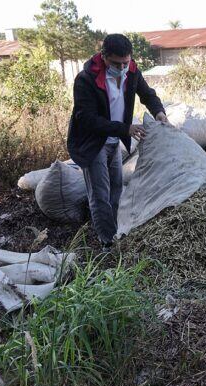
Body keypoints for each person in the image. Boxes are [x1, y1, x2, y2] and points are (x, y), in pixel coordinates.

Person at [67, 33, 168, 252]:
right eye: (116, 63)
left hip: (114, 140)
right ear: (103, 57)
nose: (122, 68)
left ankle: (117, 233)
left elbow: (147, 94)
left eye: (126, 62)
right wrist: (125, 129)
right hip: (93, 142)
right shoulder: (86, 80)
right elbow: (87, 119)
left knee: (116, 190)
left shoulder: (131, 71)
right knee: (100, 195)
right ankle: (108, 243)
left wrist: (159, 112)